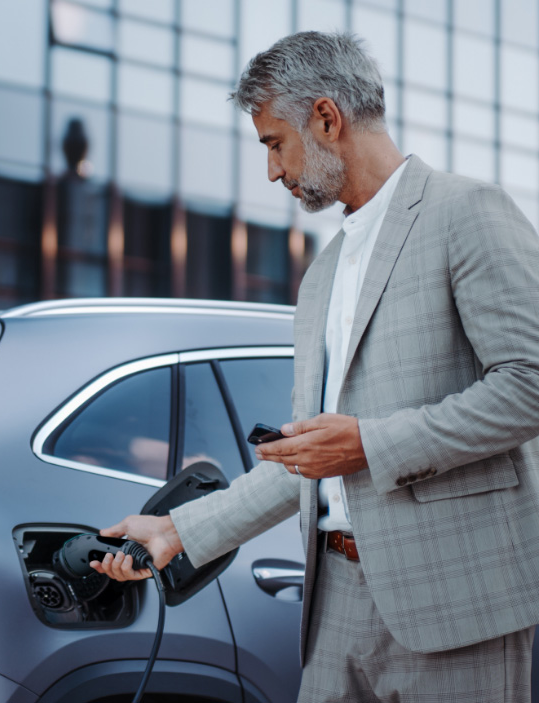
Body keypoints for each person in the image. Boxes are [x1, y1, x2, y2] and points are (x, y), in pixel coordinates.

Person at [92, 31, 539, 702]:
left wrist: (367, 442)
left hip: (454, 600)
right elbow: (308, 457)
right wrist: (177, 530)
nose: (272, 171)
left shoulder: (466, 213)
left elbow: (528, 385)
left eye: (275, 143)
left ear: (327, 119)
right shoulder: (323, 270)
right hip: (331, 603)